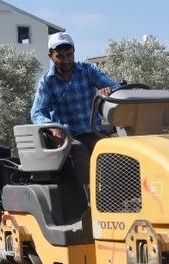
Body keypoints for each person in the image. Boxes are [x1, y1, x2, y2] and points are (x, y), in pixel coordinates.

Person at [30, 32, 119, 187]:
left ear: (74, 52)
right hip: (69, 136)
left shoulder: (88, 70)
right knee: (78, 151)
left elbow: (115, 88)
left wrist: (108, 90)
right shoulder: (47, 82)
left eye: (69, 55)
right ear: (50, 56)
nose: (66, 60)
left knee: (116, 150)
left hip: (94, 131)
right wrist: (53, 128)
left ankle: (119, 194)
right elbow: (37, 112)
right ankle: (91, 196)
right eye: (60, 56)